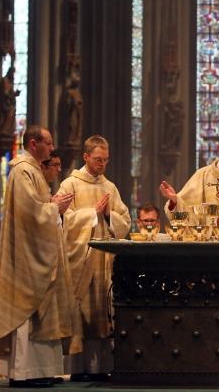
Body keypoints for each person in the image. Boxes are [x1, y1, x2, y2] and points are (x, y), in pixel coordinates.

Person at [0, 125, 79, 388]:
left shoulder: (34, 171)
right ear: (33, 143)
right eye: (48, 144)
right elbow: (29, 213)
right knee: (29, 314)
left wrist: (52, 207)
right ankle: (25, 372)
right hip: (28, 258)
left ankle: (42, 370)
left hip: (39, 251)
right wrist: (53, 207)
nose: (52, 149)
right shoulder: (22, 171)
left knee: (45, 313)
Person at [58, 135, 131, 381]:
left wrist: (110, 216)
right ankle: (78, 368)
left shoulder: (110, 188)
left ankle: (101, 368)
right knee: (82, 317)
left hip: (104, 264)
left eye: (106, 160)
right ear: (86, 156)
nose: (102, 164)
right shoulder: (70, 185)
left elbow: (125, 221)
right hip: (81, 261)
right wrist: (92, 213)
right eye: (98, 159)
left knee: (103, 315)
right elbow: (62, 219)